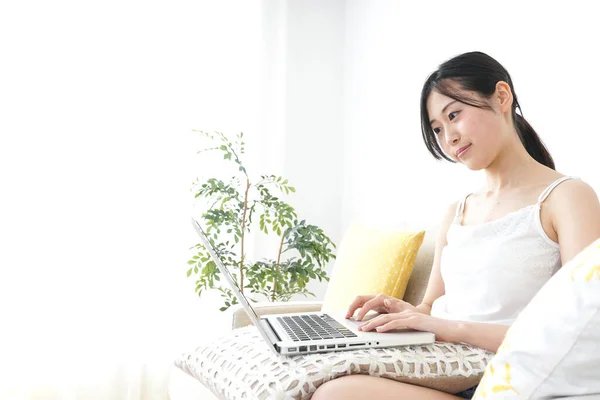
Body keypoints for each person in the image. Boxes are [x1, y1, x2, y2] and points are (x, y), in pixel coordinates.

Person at [311, 51, 600, 399]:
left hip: (502, 378)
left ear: (501, 97)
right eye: (437, 128)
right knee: (311, 371)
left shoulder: (566, 197)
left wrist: (451, 329)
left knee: (337, 393)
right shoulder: (457, 211)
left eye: (454, 115)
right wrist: (404, 312)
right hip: (443, 365)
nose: (448, 138)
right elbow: (431, 307)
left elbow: (582, 330)